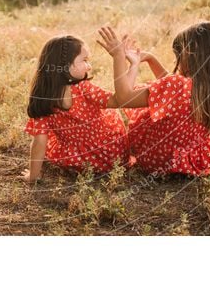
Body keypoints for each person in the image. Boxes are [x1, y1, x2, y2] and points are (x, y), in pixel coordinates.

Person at [96, 22, 210, 175]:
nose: (177, 62)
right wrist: (151, 59)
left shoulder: (177, 86)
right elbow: (173, 92)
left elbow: (124, 98)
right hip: (196, 158)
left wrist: (120, 58)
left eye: (178, 56)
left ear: (190, 53)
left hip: (160, 159)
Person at [21, 34, 130, 182]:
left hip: (74, 161)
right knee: (111, 112)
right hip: (110, 154)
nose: (89, 66)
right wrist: (121, 60)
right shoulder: (83, 88)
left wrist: (32, 176)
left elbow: (40, 142)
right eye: (84, 60)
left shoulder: (42, 98)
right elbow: (118, 101)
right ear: (65, 65)